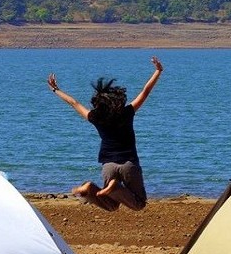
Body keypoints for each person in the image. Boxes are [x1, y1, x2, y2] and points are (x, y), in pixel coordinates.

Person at [47, 56, 163, 211]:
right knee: (139, 203)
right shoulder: (127, 112)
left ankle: (89, 188)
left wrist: (56, 90)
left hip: (108, 166)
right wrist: (158, 71)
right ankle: (114, 187)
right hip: (128, 163)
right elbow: (145, 91)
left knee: (111, 205)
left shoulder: (95, 117)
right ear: (117, 99)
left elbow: (74, 103)